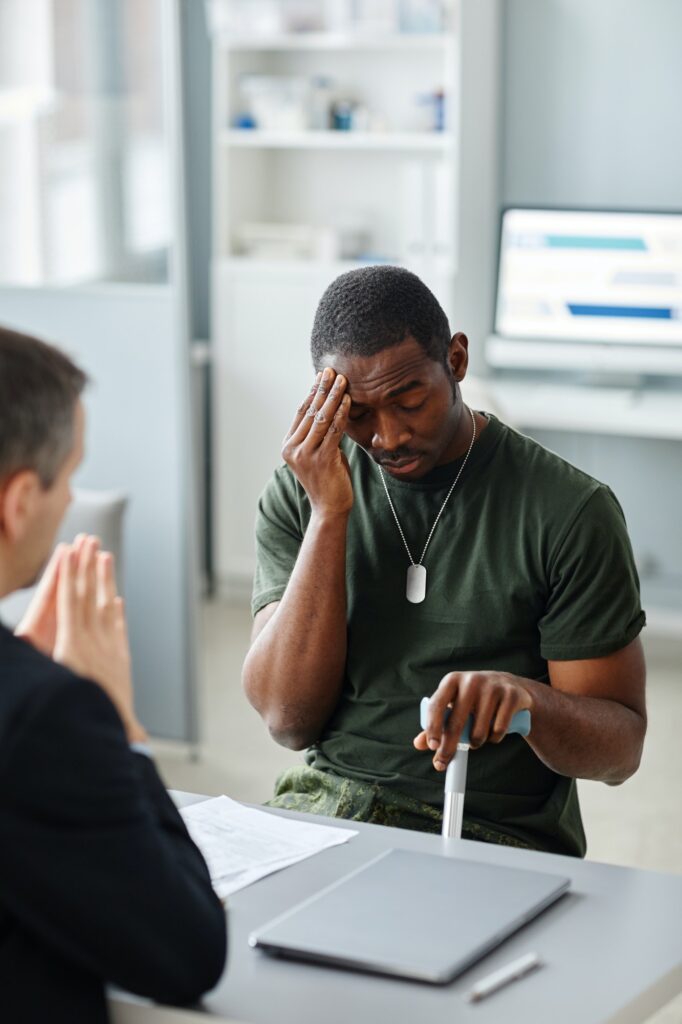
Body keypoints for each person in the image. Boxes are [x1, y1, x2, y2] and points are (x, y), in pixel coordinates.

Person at [242, 265, 647, 858]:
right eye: (357, 414)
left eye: (410, 402)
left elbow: (620, 752)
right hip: (325, 808)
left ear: (456, 360)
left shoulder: (570, 511)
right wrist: (330, 515)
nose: (387, 437)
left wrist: (528, 703)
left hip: (488, 835)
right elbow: (286, 717)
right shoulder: (303, 492)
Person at [0, 327, 226, 1023]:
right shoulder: (46, 717)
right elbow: (186, 953)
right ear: (18, 502)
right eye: (70, 476)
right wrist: (119, 721)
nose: (72, 500)